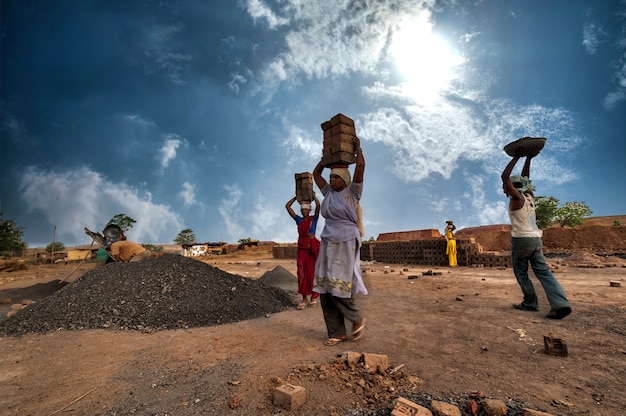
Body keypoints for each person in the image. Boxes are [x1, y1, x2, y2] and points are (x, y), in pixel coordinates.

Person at [501, 151, 572, 319]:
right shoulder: (529, 197)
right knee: (544, 272)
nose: (505, 188)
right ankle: (560, 303)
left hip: (521, 241)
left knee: (521, 272)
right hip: (536, 239)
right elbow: (525, 178)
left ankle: (530, 303)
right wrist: (529, 159)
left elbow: (504, 177)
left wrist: (516, 156)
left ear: (512, 187)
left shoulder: (516, 198)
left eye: (509, 186)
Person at [312, 136, 367, 346]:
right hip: (328, 241)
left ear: (345, 179)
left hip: (346, 241)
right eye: (331, 177)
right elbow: (316, 174)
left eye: (336, 177)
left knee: (338, 284)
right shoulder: (328, 194)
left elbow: (360, 166)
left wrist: (358, 148)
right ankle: (337, 332)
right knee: (325, 287)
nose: (332, 180)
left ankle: (356, 318)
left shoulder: (353, 193)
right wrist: (324, 160)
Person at [285, 195, 322, 310]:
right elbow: (287, 206)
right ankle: (304, 298)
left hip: (312, 249)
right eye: (302, 209)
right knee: (301, 274)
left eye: (306, 209)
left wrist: (314, 197)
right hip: (302, 249)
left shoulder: (314, 219)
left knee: (313, 273)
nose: (304, 211)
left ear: (309, 210)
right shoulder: (299, 220)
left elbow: (319, 206)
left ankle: (314, 297)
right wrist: (296, 197)